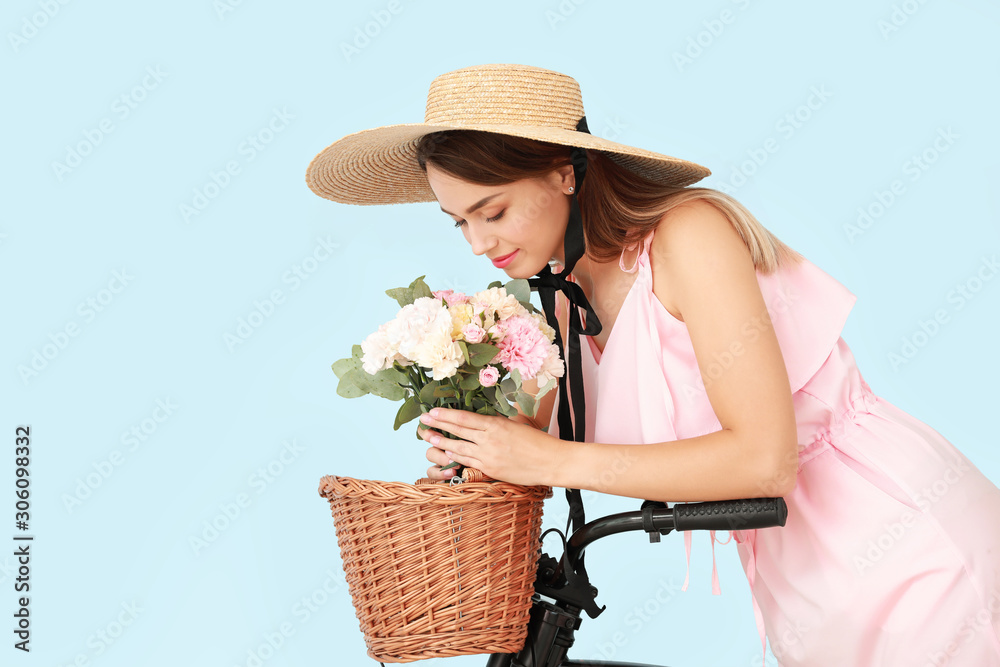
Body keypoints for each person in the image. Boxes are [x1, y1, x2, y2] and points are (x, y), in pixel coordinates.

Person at [305, 63, 1000, 666]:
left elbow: (765, 460)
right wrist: (474, 448)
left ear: (563, 170)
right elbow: (528, 452)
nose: (478, 242)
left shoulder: (686, 238)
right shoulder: (552, 302)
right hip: (799, 582)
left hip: (904, 546)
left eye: (493, 210)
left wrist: (543, 458)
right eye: (458, 221)